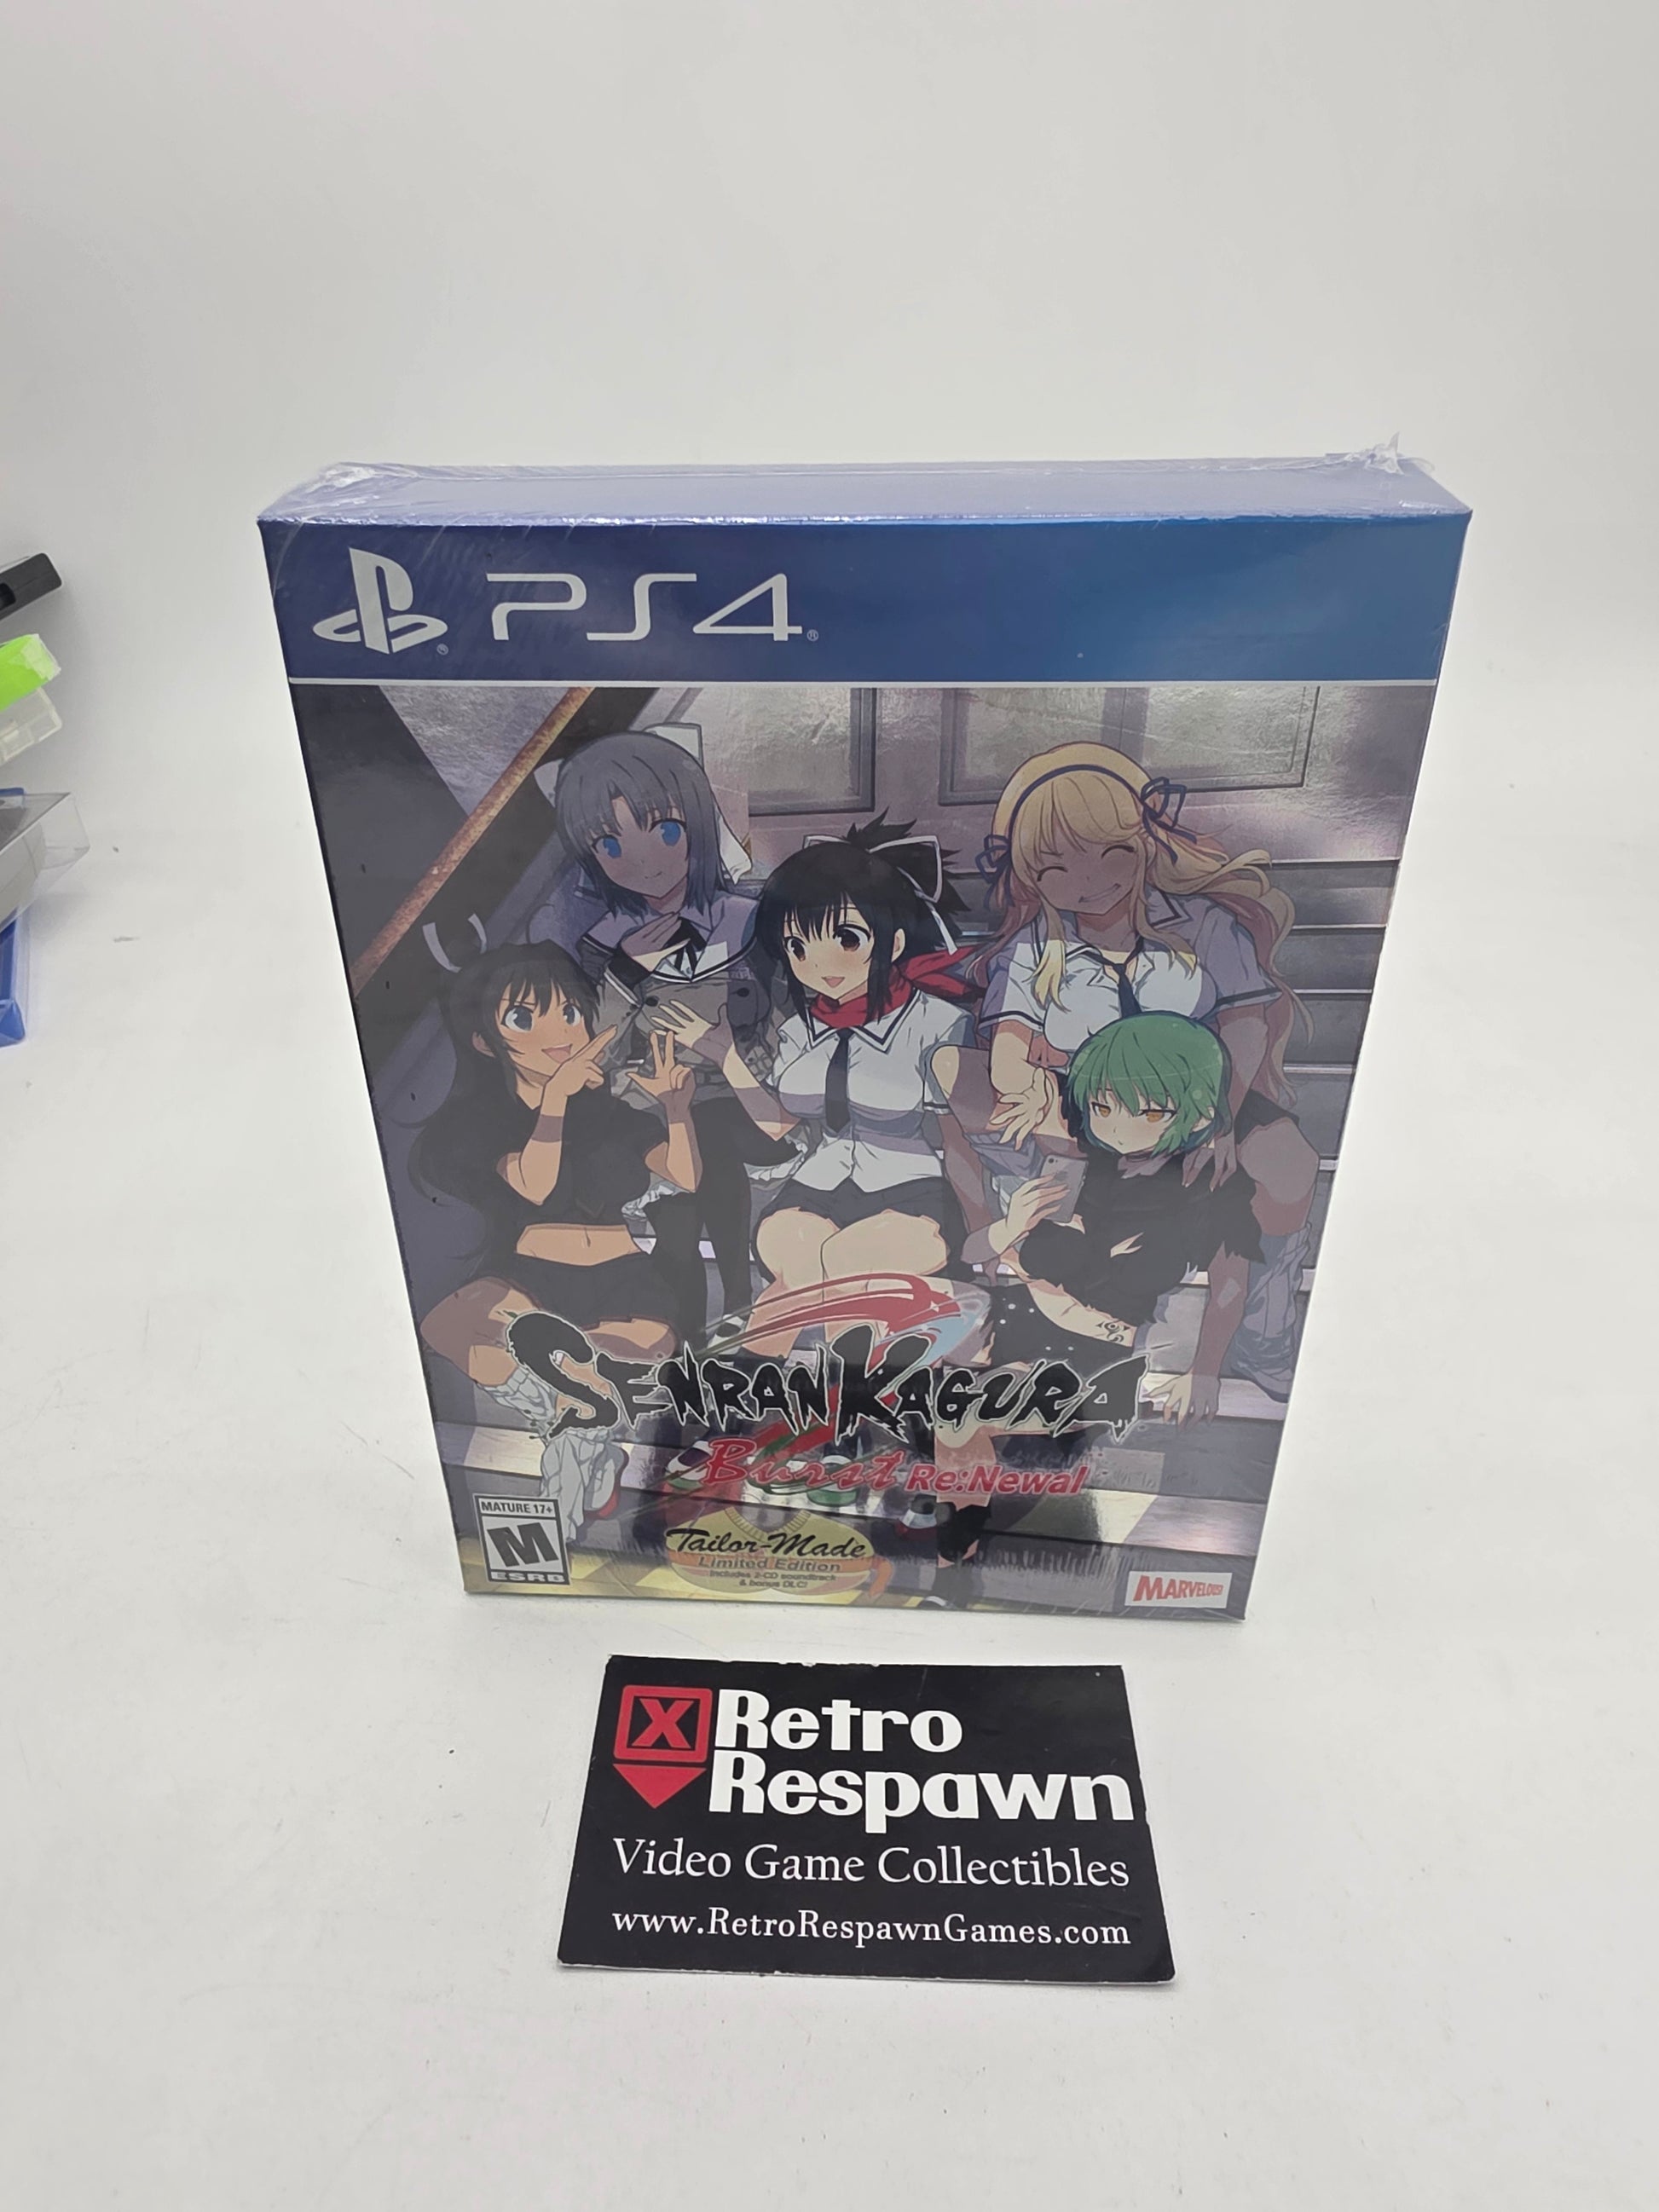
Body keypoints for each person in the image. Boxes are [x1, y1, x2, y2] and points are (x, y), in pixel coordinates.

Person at [657, 817, 980, 1360]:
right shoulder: (797, 1030)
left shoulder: (937, 1024)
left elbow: (958, 1140)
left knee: (844, 1266)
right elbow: (780, 1127)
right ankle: (756, 1391)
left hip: (914, 1192)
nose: (820, 965)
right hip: (816, 1185)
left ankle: (841, 1392)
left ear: (895, 940)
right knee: (804, 1266)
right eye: (798, 947)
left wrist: (985, 1232)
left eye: (847, 939)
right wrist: (728, 1058)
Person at [412, 944, 699, 1533]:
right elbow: (533, 1186)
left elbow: (686, 1174)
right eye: (525, 1018)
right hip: (530, 1282)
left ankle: (558, 1519)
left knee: (589, 1375)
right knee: (446, 1324)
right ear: (485, 1041)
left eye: (569, 1013)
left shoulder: (612, 1114)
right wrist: (554, 1103)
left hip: (625, 1285)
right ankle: (576, 1430)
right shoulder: (486, 1121)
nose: (559, 1033)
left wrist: (676, 1108)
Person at [530, 725, 792, 1337]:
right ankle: (687, 1324)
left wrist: (728, 1054)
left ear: (697, 823)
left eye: (666, 832)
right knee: (678, 1192)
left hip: (744, 1098)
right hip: (649, 1105)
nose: (645, 861)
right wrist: (624, 976)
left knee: (712, 1146)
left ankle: (735, 1297)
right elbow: (594, 1053)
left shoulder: (751, 921)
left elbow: (786, 1024)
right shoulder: (602, 944)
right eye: (611, 845)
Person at [990, 1012, 1311, 1420]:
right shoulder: (1083, 1160)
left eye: (1151, 1114)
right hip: (1030, 1322)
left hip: (1098, 1347)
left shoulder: (1215, 1188)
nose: (1119, 1129)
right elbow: (997, 1252)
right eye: (1101, 1107)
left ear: (1201, 1115)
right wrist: (1008, 1233)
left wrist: (1203, 1372)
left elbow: (1229, 1286)